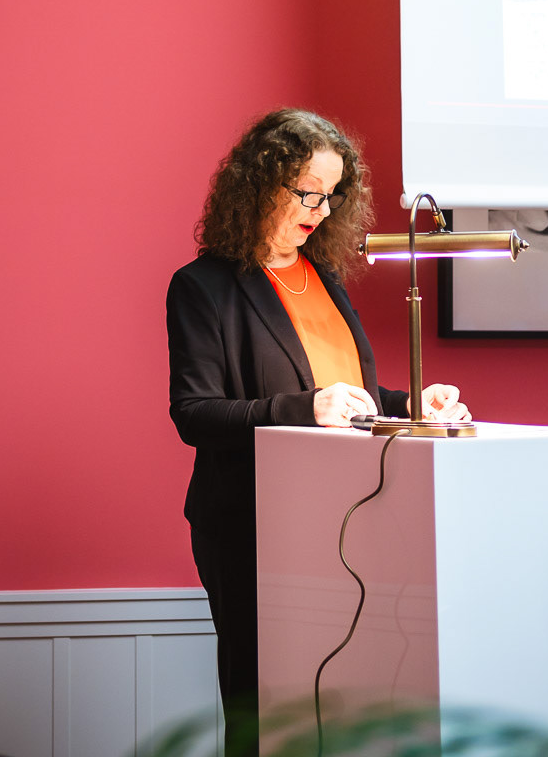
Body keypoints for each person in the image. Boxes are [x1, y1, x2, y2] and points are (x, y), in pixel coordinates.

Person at [166, 108, 471, 750]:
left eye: (332, 195)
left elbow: (350, 396)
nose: (322, 210)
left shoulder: (324, 278)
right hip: (250, 523)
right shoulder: (203, 286)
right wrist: (303, 408)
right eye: (308, 192)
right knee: (264, 702)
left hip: (348, 521)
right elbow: (195, 413)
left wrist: (415, 403)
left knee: (339, 703)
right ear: (260, 185)